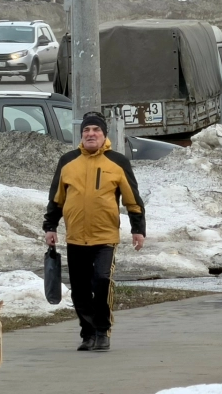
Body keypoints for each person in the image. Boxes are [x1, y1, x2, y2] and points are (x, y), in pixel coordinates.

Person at [44, 112, 146, 352]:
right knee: (79, 289)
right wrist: (50, 226)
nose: (91, 134)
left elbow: (133, 199)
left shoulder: (118, 162)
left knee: (101, 280)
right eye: (87, 131)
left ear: (104, 135)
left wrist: (138, 229)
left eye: (96, 131)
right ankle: (88, 334)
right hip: (76, 238)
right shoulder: (67, 161)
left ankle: (103, 331)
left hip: (105, 237)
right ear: (81, 136)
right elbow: (56, 198)